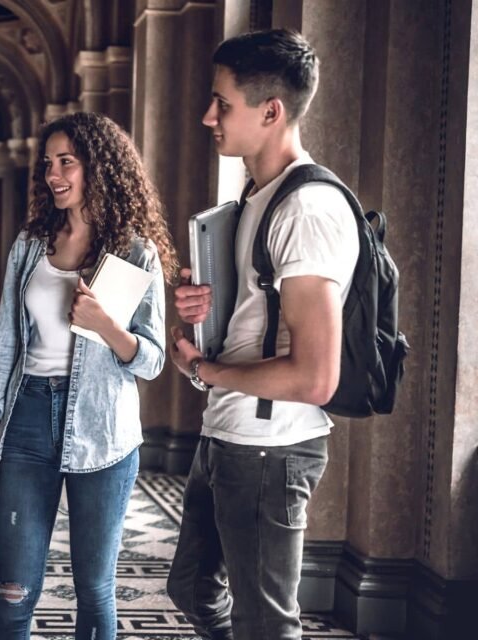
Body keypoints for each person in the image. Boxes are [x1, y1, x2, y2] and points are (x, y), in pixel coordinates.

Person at [166, 29, 359, 640]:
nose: (207, 116)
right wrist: (208, 311)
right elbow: (261, 314)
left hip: (270, 448)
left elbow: (315, 376)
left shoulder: (308, 209)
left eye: (222, 104)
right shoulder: (255, 195)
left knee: (266, 624)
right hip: (228, 430)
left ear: (270, 111)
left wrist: (205, 371)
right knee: (192, 584)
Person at [0, 111, 177, 640]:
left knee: (94, 591)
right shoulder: (30, 244)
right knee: (13, 590)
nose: (54, 175)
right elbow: (6, 342)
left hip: (104, 429)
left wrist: (105, 325)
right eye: (48, 164)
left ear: (100, 167)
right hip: (27, 420)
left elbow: (151, 360)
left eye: (67, 162)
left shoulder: (135, 251)